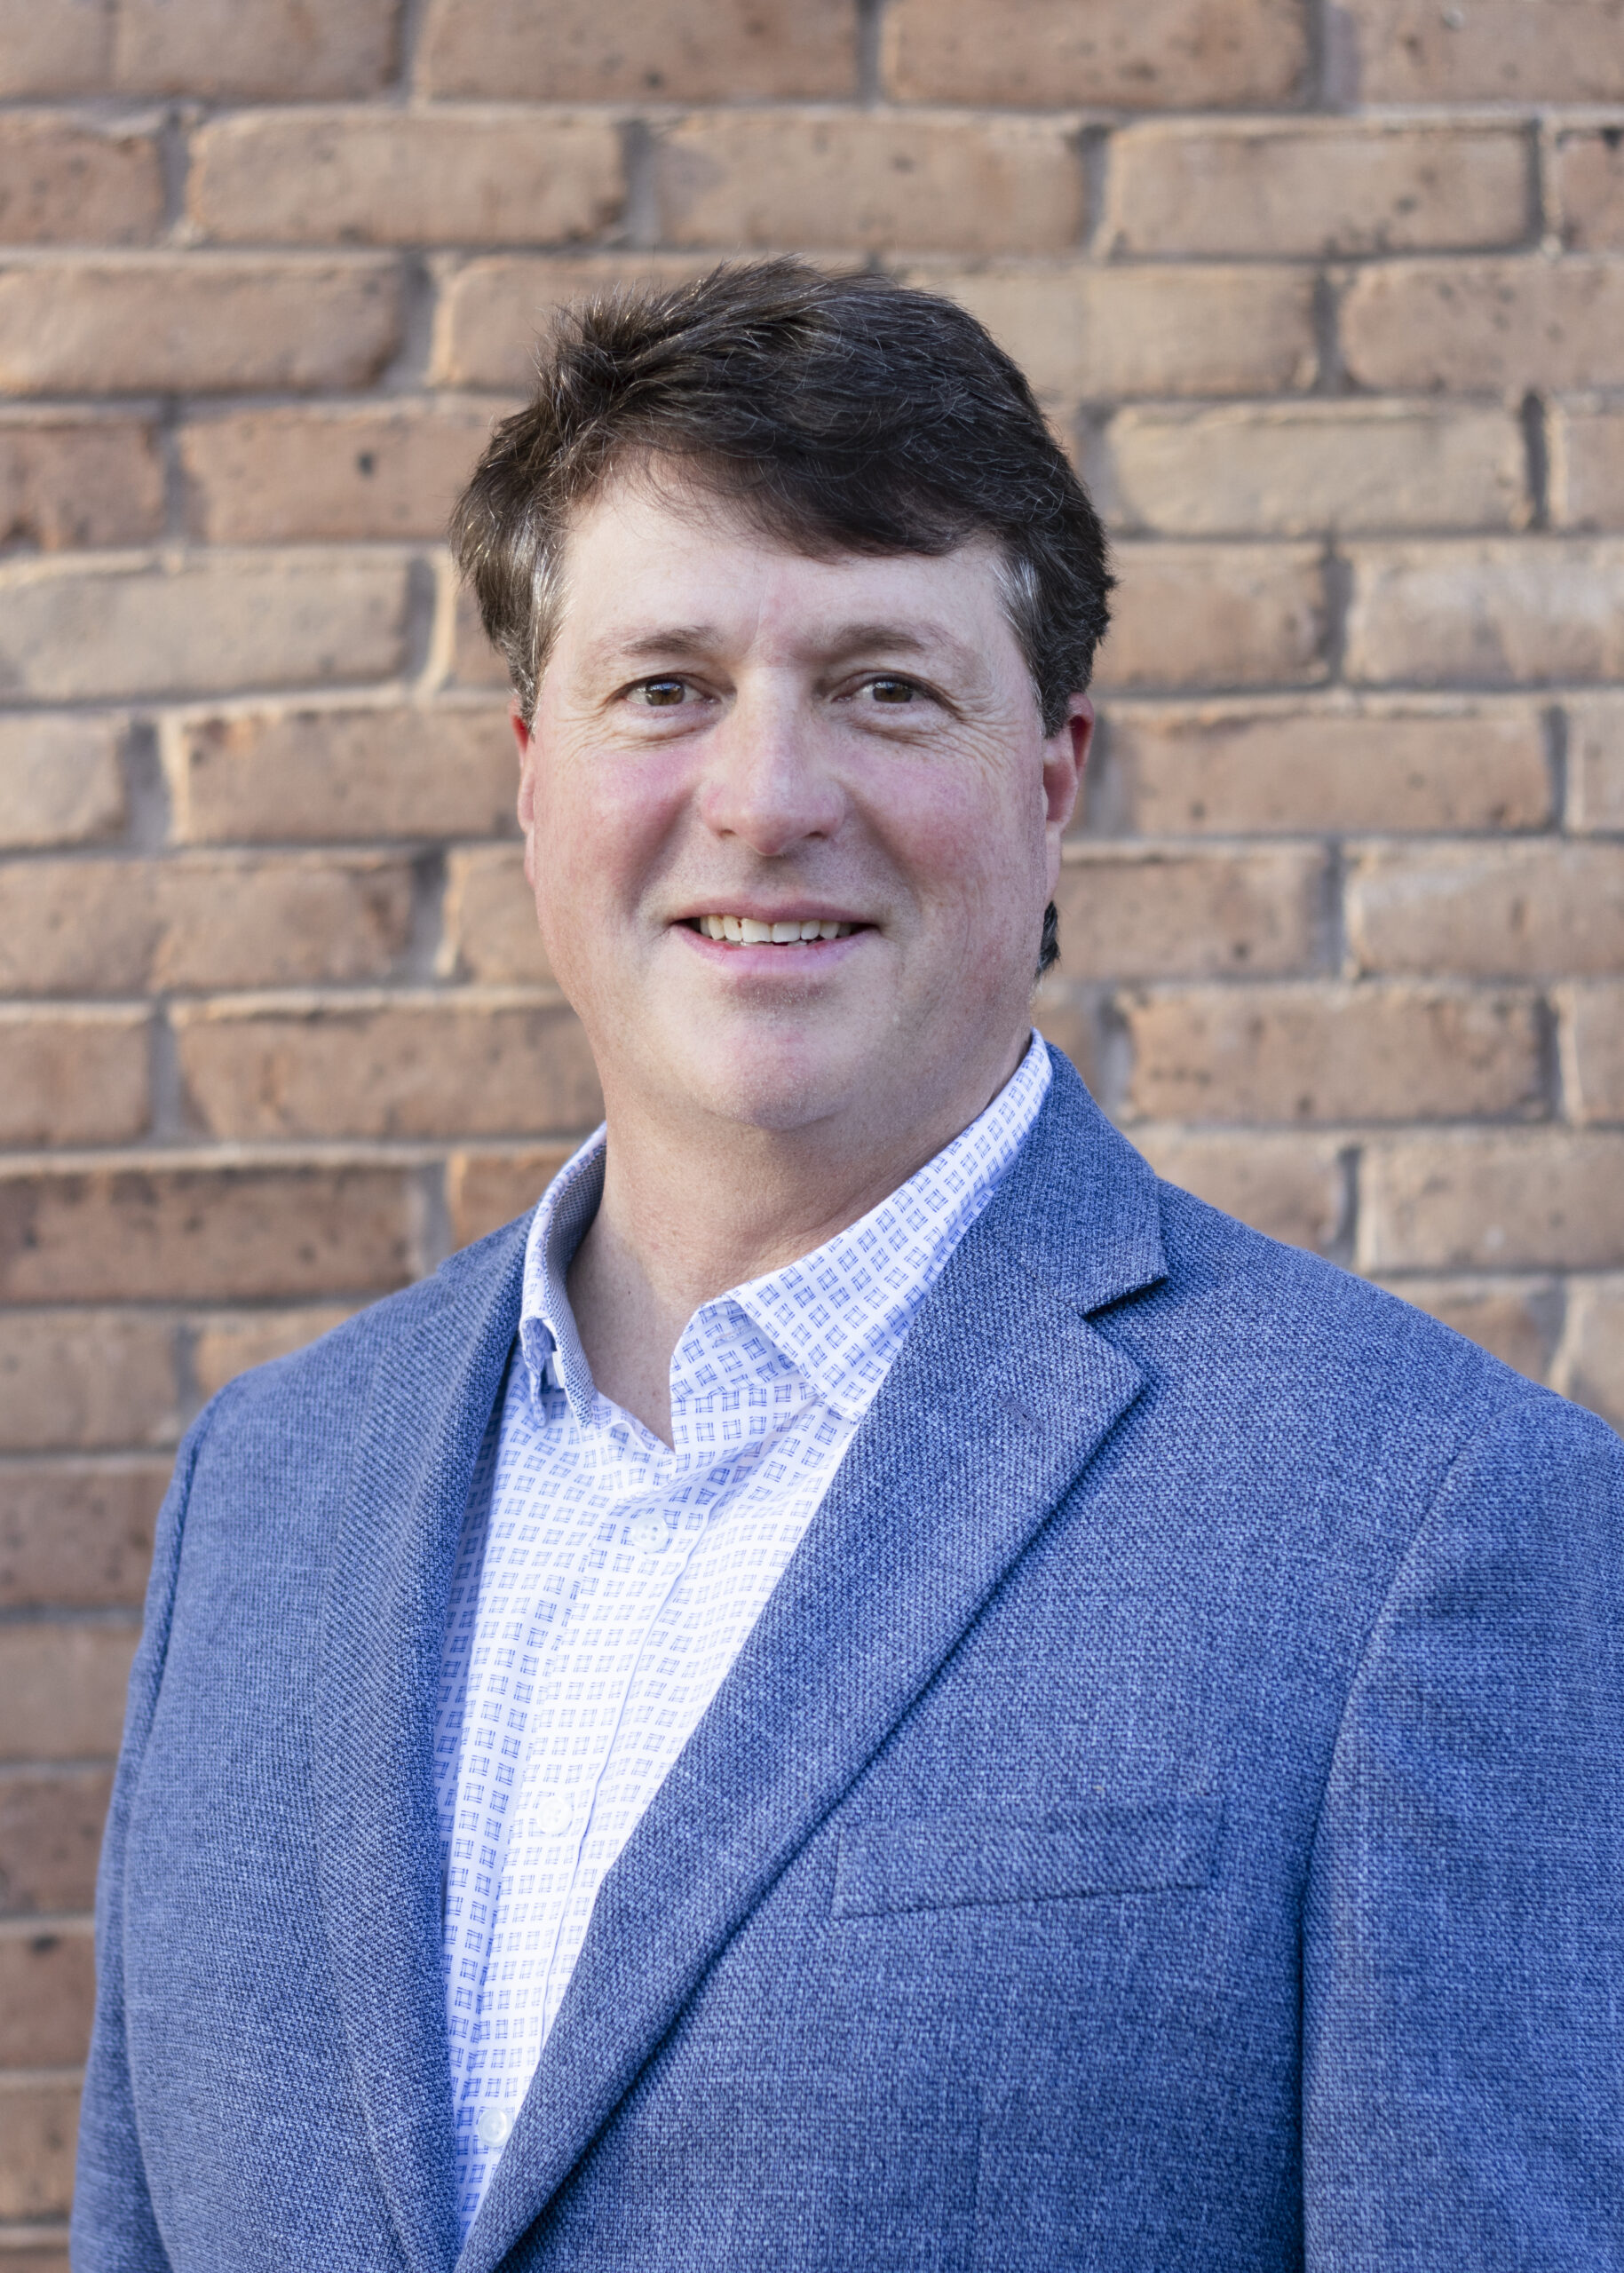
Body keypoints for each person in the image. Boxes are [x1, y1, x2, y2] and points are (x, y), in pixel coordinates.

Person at [74, 261, 1622, 2273]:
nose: (768, 797)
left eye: (887, 686)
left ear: (1052, 778)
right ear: (533, 767)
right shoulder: (265, 1492)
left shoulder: (1438, 1522)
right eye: (668, 688)